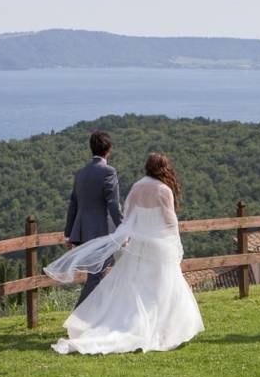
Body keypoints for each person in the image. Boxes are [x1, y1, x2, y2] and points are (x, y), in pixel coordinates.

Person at [44, 153, 204, 355]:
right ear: (164, 168)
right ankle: (161, 329)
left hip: (138, 247)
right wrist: (176, 245)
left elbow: (127, 217)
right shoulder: (164, 190)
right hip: (159, 247)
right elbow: (170, 222)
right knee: (160, 289)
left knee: (137, 288)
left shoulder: (137, 187)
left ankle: (136, 324)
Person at [64, 130, 124, 307]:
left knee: (96, 274)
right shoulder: (108, 172)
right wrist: (123, 230)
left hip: (83, 231)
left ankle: (96, 316)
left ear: (91, 149)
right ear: (109, 149)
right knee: (96, 276)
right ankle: (78, 317)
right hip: (102, 232)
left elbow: (73, 204)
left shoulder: (81, 173)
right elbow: (114, 204)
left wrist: (69, 233)